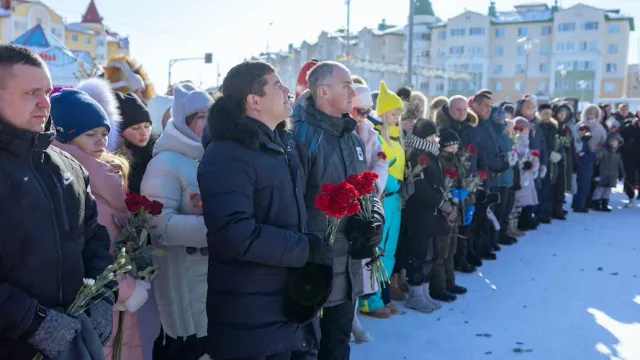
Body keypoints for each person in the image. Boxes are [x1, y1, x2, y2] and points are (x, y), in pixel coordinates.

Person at [199, 61, 331, 360]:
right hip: (250, 321)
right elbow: (234, 235)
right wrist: (305, 248)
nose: (287, 90)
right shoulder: (226, 154)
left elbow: (293, 215)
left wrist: (314, 250)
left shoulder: (280, 147)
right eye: (276, 85)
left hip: (287, 309)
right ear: (254, 100)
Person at [0, 44, 114, 359]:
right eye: (30, 93)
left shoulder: (68, 166)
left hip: (74, 342)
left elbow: (93, 240)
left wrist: (101, 297)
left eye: (47, 92)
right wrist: (32, 322)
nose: (44, 103)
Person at [50, 88, 151, 360]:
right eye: (90, 134)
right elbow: (78, 251)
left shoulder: (108, 174)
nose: (101, 141)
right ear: (65, 137)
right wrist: (125, 288)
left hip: (115, 299)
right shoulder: (67, 181)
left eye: (104, 133)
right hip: (94, 303)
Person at [291, 61, 383, 360]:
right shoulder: (300, 136)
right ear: (322, 90)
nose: (352, 91)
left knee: (338, 344)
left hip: (349, 264)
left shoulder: (353, 137)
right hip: (313, 266)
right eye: (346, 85)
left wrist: (373, 218)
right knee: (307, 348)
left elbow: (365, 188)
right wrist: (307, 250)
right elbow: (290, 202)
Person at [141, 84, 213, 360]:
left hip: (211, 277)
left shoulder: (211, 156)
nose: (209, 122)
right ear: (185, 121)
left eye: (211, 114)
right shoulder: (166, 162)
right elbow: (158, 223)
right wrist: (218, 229)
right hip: (184, 279)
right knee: (189, 347)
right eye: (201, 116)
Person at [360, 81, 405, 318]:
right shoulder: (377, 136)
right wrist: (392, 183)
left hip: (395, 200)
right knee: (375, 250)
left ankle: (382, 294)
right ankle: (369, 300)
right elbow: (376, 164)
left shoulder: (399, 137)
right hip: (382, 197)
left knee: (389, 251)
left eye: (399, 113)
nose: (396, 117)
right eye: (393, 112)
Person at [349, 83, 388, 339]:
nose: (364, 116)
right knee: (338, 271)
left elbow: (380, 159)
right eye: (359, 111)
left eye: (367, 111)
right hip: (341, 205)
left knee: (359, 267)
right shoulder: (338, 131)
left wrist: (374, 181)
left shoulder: (369, 132)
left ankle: (352, 319)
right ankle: (339, 323)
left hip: (364, 206)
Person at [115, 92, 156, 194]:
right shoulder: (116, 162)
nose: (143, 133)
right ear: (121, 131)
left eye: (147, 126)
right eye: (135, 128)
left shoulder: (158, 151)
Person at [591, 132, 625, 211]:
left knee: (607, 190)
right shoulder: (603, 151)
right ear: (608, 141)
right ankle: (595, 203)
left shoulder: (617, 154)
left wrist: (621, 174)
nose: (614, 143)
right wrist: (596, 173)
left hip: (612, 176)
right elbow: (597, 162)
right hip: (602, 175)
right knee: (599, 190)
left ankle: (604, 204)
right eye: (612, 141)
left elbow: (620, 165)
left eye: (616, 142)